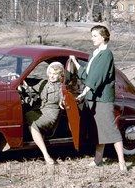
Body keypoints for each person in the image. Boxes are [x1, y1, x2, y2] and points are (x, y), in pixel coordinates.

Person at [69, 25, 128, 173]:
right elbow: (87, 74)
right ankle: (98, 160)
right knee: (97, 131)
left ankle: (122, 163)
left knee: (111, 131)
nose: (92, 38)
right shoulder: (94, 54)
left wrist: (84, 92)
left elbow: (98, 77)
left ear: (103, 37)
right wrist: (75, 63)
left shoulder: (106, 54)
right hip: (92, 98)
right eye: (92, 35)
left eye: (95, 36)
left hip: (102, 99)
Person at [23, 61, 64, 165]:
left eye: (55, 74)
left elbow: (65, 100)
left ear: (60, 75)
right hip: (39, 110)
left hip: (50, 115)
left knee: (33, 124)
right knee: (26, 114)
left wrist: (63, 101)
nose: (52, 76)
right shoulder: (44, 83)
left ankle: (46, 155)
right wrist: (21, 84)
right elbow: (30, 89)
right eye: (50, 73)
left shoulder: (62, 88)